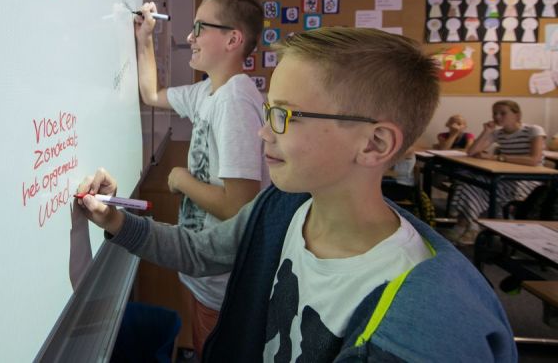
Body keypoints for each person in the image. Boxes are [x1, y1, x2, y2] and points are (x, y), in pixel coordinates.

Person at [78, 28, 515, 362]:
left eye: (285, 115)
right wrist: (116, 219)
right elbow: (200, 252)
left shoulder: (421, 327)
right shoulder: (282, 208)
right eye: (270, 110)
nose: (263, 130)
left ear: (375, 145)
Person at [134, 0, 270, 356]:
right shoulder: (208, 91)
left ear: (232, 39)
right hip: (204, 271)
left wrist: (182, 180)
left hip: (222, 281)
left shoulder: (236, 103)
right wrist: (145, 39)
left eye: (200, 28)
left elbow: (240, 206)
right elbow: (151, 94)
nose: (190, 37)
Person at [446, 100, 546, 244]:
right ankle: (470, 225)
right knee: (468, 181)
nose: (497, 117)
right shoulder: (499, 133)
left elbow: (534, 160)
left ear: (517, 115)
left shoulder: (534, 130)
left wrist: (498, 157)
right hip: (504, 176)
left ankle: (466, 226)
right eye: (495, 113)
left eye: (503, 113)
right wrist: (486, 131)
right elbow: (472, 151)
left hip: (527, 180)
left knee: (478, 185)